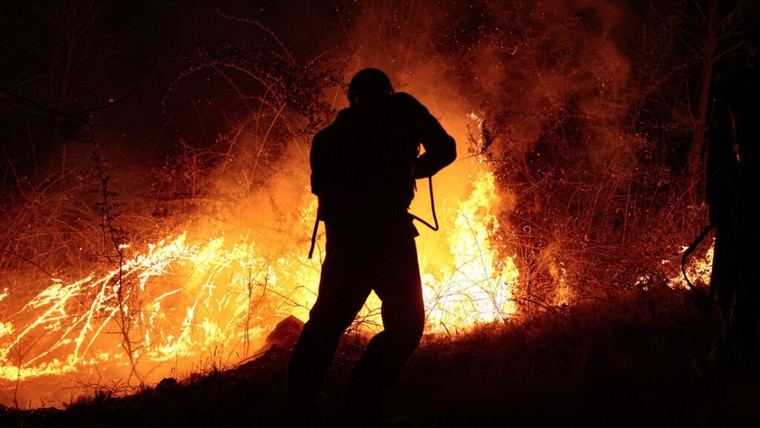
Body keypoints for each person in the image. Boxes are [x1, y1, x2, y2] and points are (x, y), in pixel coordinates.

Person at [287, 68, 456, 424]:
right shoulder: (402, 108)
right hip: (389, 236)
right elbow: (446, 149)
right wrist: (411, 168)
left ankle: (299, 407)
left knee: (326, 324)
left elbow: (323, 192)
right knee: (406, 326)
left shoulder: (327, 138)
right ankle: (359, 404)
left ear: (352, 98)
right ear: (386, 91)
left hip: (347, 241)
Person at [706, 26, 760, 366]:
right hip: (740, 193)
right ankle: (733, 347)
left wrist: (714, 199)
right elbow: (720, 148)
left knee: (739, 273)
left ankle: (732, 351)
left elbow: (718, 150)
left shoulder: (733, 86)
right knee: (742, 274)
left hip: (743, 196)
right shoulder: (732, 87)